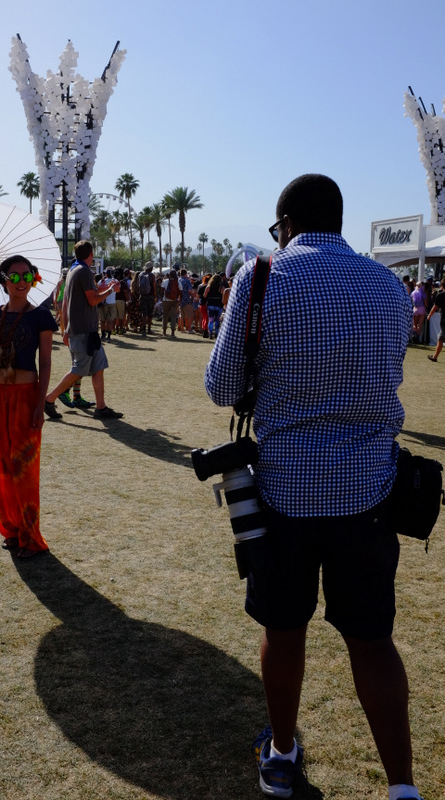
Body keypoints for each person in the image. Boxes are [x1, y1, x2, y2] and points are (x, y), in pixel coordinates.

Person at [205, 175, 422, 800]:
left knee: (283, 631)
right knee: (373, 641)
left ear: (288, 225)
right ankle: (402, 789)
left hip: (285, 492)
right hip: (370, 491)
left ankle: (281, 757)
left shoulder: (262, 278)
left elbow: (222, 386)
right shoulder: (387, 285)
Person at [0, 254, 58, 558]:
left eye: (27, 276)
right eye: (15, 276)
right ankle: (11, 529)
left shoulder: (41, 316)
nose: (21, 281)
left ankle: (30, 537)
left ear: (34, 279)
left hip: (26, 397)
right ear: (3, 281)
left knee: (23, 469)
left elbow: (46, 362)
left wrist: (41, 403)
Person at [44, 240, 123, 420]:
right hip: (84, 330)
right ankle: (49, 399)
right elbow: (93, 300)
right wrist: (111, 290)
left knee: (99, 367)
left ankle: (101, 407)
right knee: (79, 369)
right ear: (91, 254)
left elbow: (69, 301)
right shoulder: (85, 271)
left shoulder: (73, 270)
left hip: (83, 330)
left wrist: (65, 328)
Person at [426, 277, 445, 362]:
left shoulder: (441, 295)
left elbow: (435, 307)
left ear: (442, 286)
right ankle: (435, 357)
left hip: (444, 320)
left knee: (441, 338)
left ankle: (435, 357)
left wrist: (429, 316)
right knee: (440, 338)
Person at [161, 268, 181, 336]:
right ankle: (172, 332)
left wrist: (162, 298)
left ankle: (164, 331)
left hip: (166, 300)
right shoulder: (178, 282)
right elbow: (181, 292)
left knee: (165, 316)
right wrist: (179, 300)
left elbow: (161, 291)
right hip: (175, 301)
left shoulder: (165, 281)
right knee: (173, 316)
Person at [139, 261, 157, 336]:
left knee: (144, 313)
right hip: (150, 296)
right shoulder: (152, 275)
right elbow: (154, 287)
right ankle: (149, 329)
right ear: (151, 268)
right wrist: (155, 296)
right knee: (150, 313)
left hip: (142, 296)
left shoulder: (141, 274)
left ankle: (143, 329)